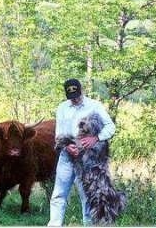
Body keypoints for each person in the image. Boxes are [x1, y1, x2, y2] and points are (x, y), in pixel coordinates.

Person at [48, 78, 116, 226]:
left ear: (82, 90)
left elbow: (110, 127)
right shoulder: (62, 108)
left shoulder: (95, 106)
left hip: (87, 160)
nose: (75, 99)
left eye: (77, 96)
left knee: (87, 195)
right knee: (58, 195)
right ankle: (54, 224)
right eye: (71, 97)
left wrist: (96, 138)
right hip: (66, 157)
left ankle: (89, 225)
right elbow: (58, 134)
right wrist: (66, 147)